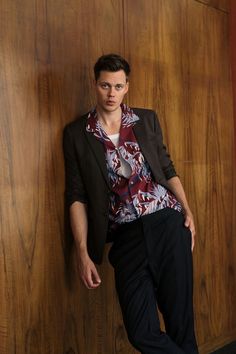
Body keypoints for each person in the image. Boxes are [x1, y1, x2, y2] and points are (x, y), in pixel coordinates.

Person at [63, 53, 199, 354]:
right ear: (95, 84)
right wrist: (83, 252)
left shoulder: (146, 120)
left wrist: (187, 212)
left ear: (127, 86)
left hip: (167, 223)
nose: (112, 94)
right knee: (141, 332)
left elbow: (167, 169)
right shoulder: (76, 134)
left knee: (181, 325)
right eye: (105, 85)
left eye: (118, 86)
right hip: (127, 238)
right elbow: (76, 196)